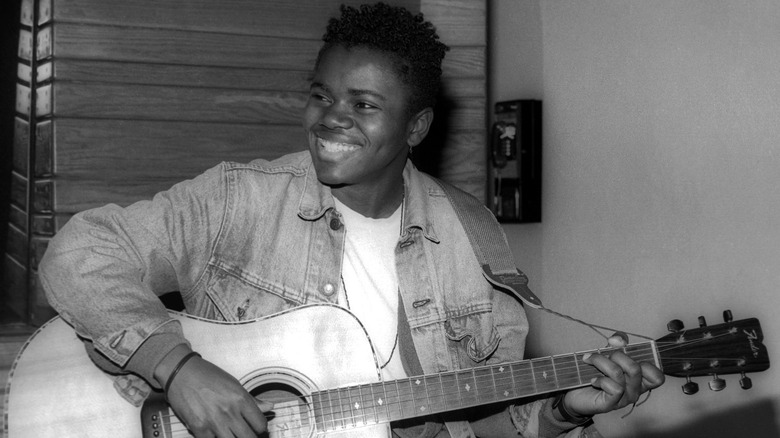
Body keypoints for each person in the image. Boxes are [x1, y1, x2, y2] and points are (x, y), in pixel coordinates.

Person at [39, 3, 664, 438]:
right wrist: (177, 369)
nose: (331, 118)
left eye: (363, 104)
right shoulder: (241, 199)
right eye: (321, 95)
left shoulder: (474, 244)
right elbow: (80, 253)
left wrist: (561, 412)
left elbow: (479, 425)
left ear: (415, 126)